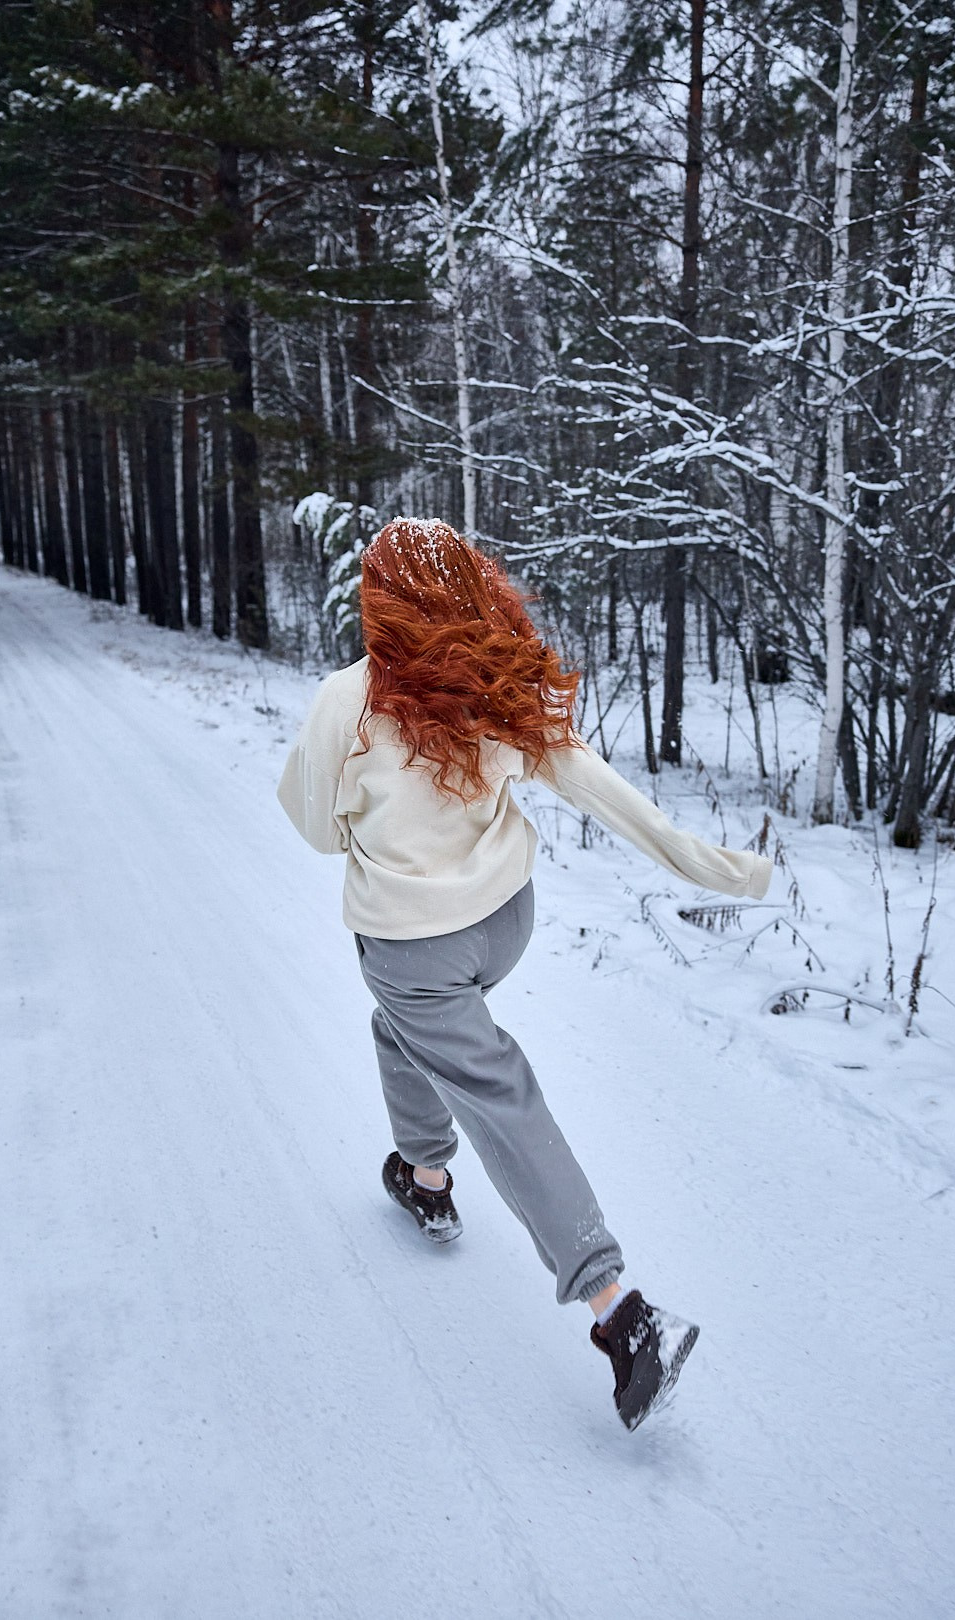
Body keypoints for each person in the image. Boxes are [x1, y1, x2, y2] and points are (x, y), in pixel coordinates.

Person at [277, 518, 772, 1431]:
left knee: (494, 1092)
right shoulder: (496, 685)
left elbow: (313, 828)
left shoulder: (345, 702)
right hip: (505, 920)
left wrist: (369, 825)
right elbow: (598, 787)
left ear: (379, 601)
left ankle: (620, 1311)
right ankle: (426, 1180)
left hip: (415, 945)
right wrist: (711, 865)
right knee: (404, 1029)